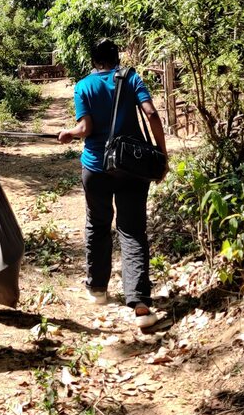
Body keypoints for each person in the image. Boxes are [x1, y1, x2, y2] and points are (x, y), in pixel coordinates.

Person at [57, 39, 167, 329]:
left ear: (94, 61)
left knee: (97, 224)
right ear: (116, 58)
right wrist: (162, 154)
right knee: (132, 230)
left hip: (95, 167)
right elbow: (152, 114)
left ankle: (97, 289)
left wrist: (69, 133)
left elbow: (85, 129)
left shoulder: (83, 87)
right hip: (131, 167)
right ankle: (140, 302)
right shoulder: (131, 77)